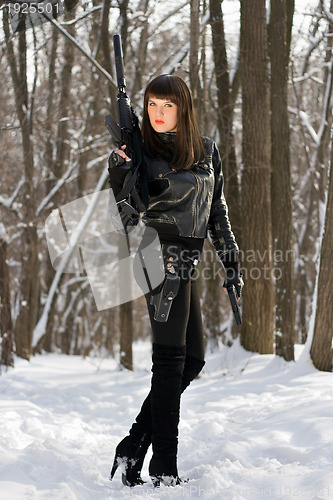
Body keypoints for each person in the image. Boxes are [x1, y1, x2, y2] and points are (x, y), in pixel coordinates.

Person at [108, 74, 243, 487]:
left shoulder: (206, 151)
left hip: (187, 259)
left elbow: (216, 207)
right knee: (169, 364)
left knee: (194, 360)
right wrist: (120, 175)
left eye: (167, 105)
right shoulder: (138, 152)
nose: (159, 114)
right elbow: (126, 220)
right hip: (155, 256)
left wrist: (230, 255)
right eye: (152, 105)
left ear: (183, 108)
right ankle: (164, 465)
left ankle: (133, 445)